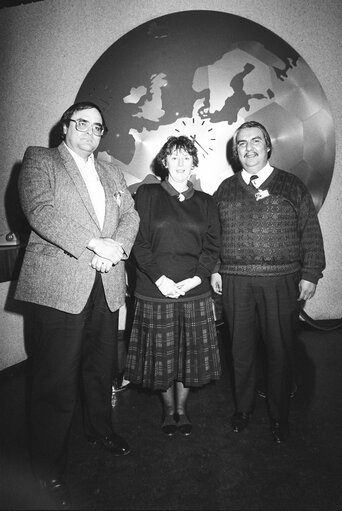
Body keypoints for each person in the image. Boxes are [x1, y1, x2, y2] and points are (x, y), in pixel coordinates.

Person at [15, 101, 139, 507]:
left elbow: (131, 215)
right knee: (54, 382)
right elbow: (40, 211)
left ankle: (100, 430)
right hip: (58, 286)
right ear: (65, 126)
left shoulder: (111, 171)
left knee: (99, 370)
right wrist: (93, 244)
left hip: (106, 281)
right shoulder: (40, 160)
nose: (89, 131)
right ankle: (47, 470)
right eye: (81, 123)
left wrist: (116, 247)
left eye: (97, 127)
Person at [211, 121, 325, 443]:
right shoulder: (225, 188)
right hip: (236, 282)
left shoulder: (291, 185)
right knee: (240, 350)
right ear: (236, 152)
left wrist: (310, 273)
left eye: (256, 141)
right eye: (242, 144)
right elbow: (214, 235)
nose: (249, 149)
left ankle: (279, 415)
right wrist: (216, 269)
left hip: (281, 281)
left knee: (280, 349)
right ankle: (243, 409)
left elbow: (310, 233)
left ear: (268, 146)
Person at [125, 135, 221, 437]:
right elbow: (138, 243)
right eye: (174, 157)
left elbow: (213, 245)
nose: (181, 163)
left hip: (194, 289)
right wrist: (160, 279)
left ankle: (182, 409)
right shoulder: (147, 195)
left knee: (188, 356)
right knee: (162, 357)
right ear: (164, 162)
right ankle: (168, 411)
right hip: (156, 290)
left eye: (186, 157)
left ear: (194, 163)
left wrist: (196, 278)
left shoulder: (206, 202)